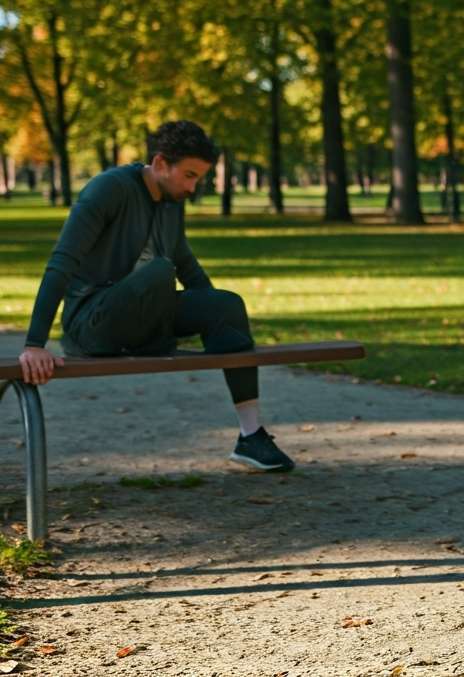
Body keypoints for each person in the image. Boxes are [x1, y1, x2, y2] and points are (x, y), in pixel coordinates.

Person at [17, 120, 295, 472]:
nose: (193, 188)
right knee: (160, 271)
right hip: (91, 324)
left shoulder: (171, 201)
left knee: (227, 304)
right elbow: (62, 262)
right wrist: (34, 343)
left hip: (144, 317)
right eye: (190, 176)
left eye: (199, 179)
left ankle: (251, 437)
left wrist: (218, 321)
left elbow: (187, 265)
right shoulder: (108, 188)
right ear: (161, 163)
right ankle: (154, 343)